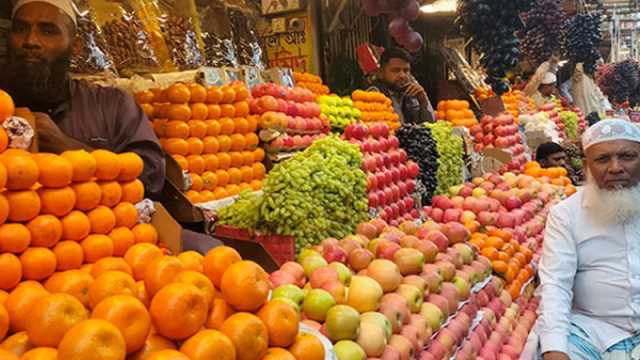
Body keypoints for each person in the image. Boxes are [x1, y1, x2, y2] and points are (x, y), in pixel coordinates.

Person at [1, 0, 166, 197]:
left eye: (48, 31)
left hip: (98, 225)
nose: (30, 41)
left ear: (76, 47)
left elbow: (152, 177)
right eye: (20, 29)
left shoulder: (111, 105)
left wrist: (69, 149)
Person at [535, 118, 640, 360]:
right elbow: (556, 284)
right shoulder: (565, 215)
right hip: (592, 332)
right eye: (602, 159)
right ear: (586, 166)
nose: (615, 168)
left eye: (627, 157)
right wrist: (555, 349)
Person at [368, 47, 435, 124]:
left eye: (406, 70)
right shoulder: (374, 94)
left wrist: (423, 100)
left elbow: (430, 125)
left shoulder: (412, 91)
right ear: (381, 73)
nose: (402, 75)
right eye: (396, 70)